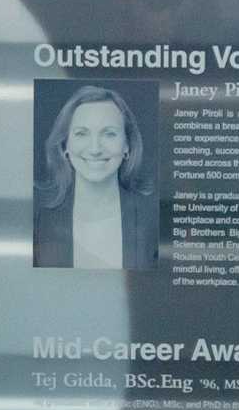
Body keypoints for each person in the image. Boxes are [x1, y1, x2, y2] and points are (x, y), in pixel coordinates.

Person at [31, 84, 161, 270]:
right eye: (81, 134)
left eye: (109, 134)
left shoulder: (153, 217)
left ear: (127, 146)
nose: (94, 149)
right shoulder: (36, 213)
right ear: (65, 145)